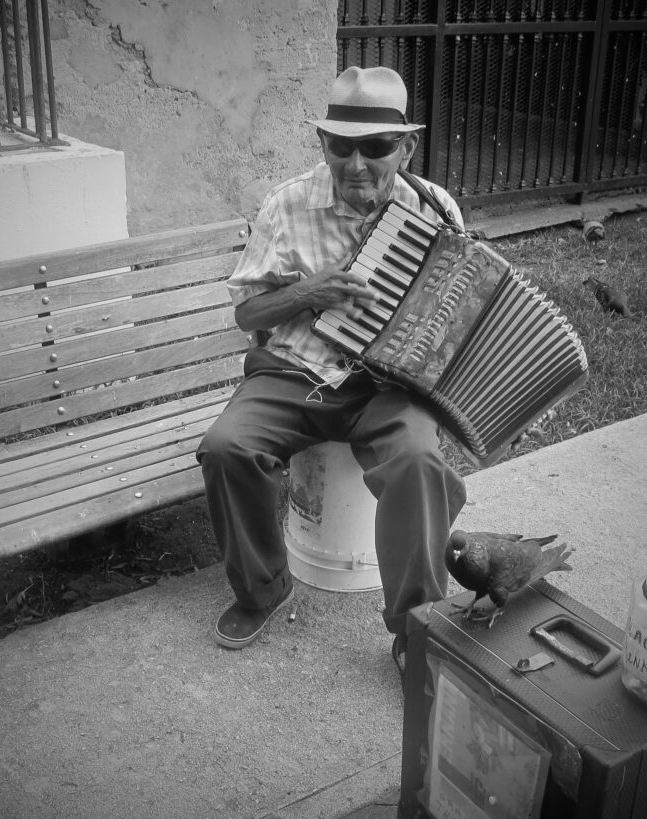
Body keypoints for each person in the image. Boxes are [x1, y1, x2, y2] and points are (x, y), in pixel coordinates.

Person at [196, 66, 467, 672]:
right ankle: (262, 589)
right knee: (225, 446)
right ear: (323, 144)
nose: (357, 164)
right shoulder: (288, 206)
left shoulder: (434, 208)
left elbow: (460, 306)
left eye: (376, 148)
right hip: (295, 371)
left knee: (420, 463)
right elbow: (248, 314)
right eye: (341, 147)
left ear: (406, 147)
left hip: (390, 386)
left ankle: (415, 628)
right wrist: (306, 294)